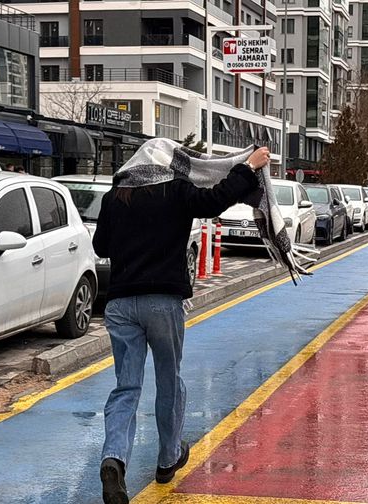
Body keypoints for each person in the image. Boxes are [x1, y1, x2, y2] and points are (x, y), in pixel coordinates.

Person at [94, 147, 270, 504]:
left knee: (126, 387)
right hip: (163, 302)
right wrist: (248, 168)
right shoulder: (175, 190)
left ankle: (114, 458)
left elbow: (101, 246)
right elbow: (215, 200)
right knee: (169, 381)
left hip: (121, 303)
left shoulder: (116, 196)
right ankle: (168, 458)